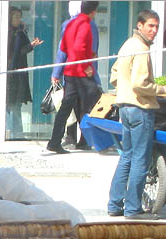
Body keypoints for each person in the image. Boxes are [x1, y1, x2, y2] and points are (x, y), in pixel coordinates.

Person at [107, 10, 166, 220]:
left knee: (126, 156)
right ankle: (133, 209)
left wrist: (125, 89)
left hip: (125, 108)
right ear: (140, 25)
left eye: (156, 26)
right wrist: (163, 90)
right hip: (140, 109)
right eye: (150, 26)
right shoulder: (141, 49)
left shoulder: (128, 44)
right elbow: (140, 84)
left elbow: (114, 75)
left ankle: (115, 204)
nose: (154, 31)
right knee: (140, 160)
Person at [46, 1, 100, 154]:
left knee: (66, 108)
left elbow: (63, 48)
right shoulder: (87, 24)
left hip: (69, 72)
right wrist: (87, 66)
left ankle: (55, 141)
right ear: (94, 11)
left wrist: (57, 72)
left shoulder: (68, 24)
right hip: (81, 73)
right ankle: (91, 140)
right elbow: (82, 48)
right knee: (92, 104)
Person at [6, 7, 43, 140]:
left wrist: (31, 44)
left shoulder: (19, 33)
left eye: (19, 17)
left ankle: (16, 132)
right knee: (11, 104)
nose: (19, 20)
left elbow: (20, 51)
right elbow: (16, 52)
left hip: (17, 72)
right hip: (11, 72)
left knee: (15, 104)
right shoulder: (11, 33)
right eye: (16, 17)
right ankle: (13, 132)